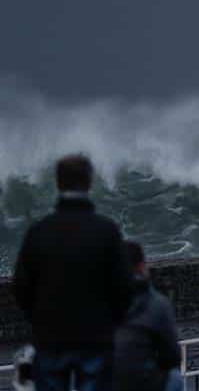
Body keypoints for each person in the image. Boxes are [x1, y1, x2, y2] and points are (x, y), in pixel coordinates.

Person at [13, 154, 133, 391]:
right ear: (89, 183)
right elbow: (123, 288)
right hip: (96, 338)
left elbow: (22, 288)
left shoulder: (39, 232)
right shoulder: (106, 231)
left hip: (50, 338)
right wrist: (110, 322)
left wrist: (40, 319)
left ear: (58, 183)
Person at [113, 241, 182, 391]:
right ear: (141, 266)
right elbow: (172, 356)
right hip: (142, 382)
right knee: (175, 377)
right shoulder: (156, 303)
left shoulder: (95, 302)